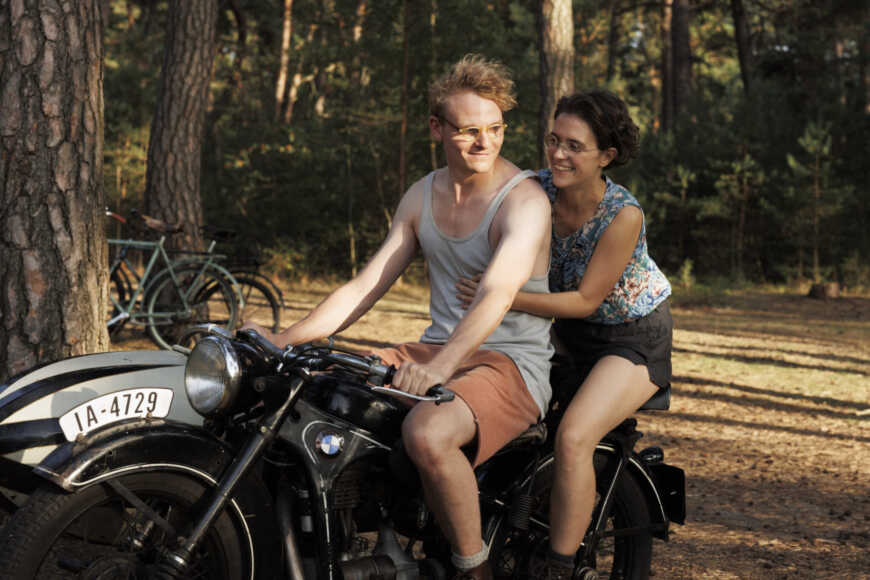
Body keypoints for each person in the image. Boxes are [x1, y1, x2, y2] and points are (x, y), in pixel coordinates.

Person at [244, 54, 554, 580]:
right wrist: (282, 338)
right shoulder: (422, 195)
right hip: (437, 350)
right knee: (308, 392)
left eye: (496, 129)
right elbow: (365, 286)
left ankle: (473, 568)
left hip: (509, 363)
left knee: (428, 433)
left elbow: (496, 295)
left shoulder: (523, 201)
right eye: (470, 130)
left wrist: (440, 369)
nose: (486, 143)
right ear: (437, 128)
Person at [457, 90, 673, 580]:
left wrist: (501, 295)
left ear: (607, 156)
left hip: (632, 335)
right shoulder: (535, 190)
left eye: (574, 146)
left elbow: (585, 301)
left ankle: (561, 567)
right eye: (553, 140)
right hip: (564, 333)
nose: (558, 153)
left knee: (575, 436)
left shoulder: (623, 214)